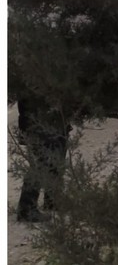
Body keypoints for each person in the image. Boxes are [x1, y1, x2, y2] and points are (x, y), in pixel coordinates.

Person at [15, 91, 71, 223]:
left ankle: (53, 199)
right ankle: (26, 208)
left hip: (52, 114)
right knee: (42, 160)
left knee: (58, 152)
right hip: (36, 117)